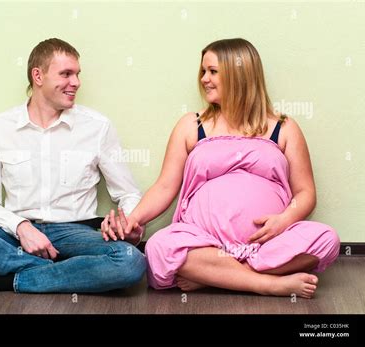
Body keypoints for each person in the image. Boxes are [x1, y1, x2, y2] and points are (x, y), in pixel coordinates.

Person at [102, 38, 340, 299]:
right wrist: (133, 220)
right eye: (203, 71)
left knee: (327, 239)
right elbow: (165, 186)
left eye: (213, 71)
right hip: (203, 242)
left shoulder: (283, 127)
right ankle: (266, 284)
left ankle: (217, 277)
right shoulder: (192, 125)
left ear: (239, 74)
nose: (204, 78)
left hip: (265, 245)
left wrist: (284, 221)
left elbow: (305, 193)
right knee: (159, 246)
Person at [0, 38, 146, 299]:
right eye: (66, 74)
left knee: (131, 261)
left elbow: (128, 194)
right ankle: (64, 273)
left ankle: (11, 280)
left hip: (75, 234)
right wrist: (21, 227)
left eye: (77, 74)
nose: (76, 82)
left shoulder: (97, 127)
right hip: (15, 234)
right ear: (38, 76)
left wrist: (128, 222)